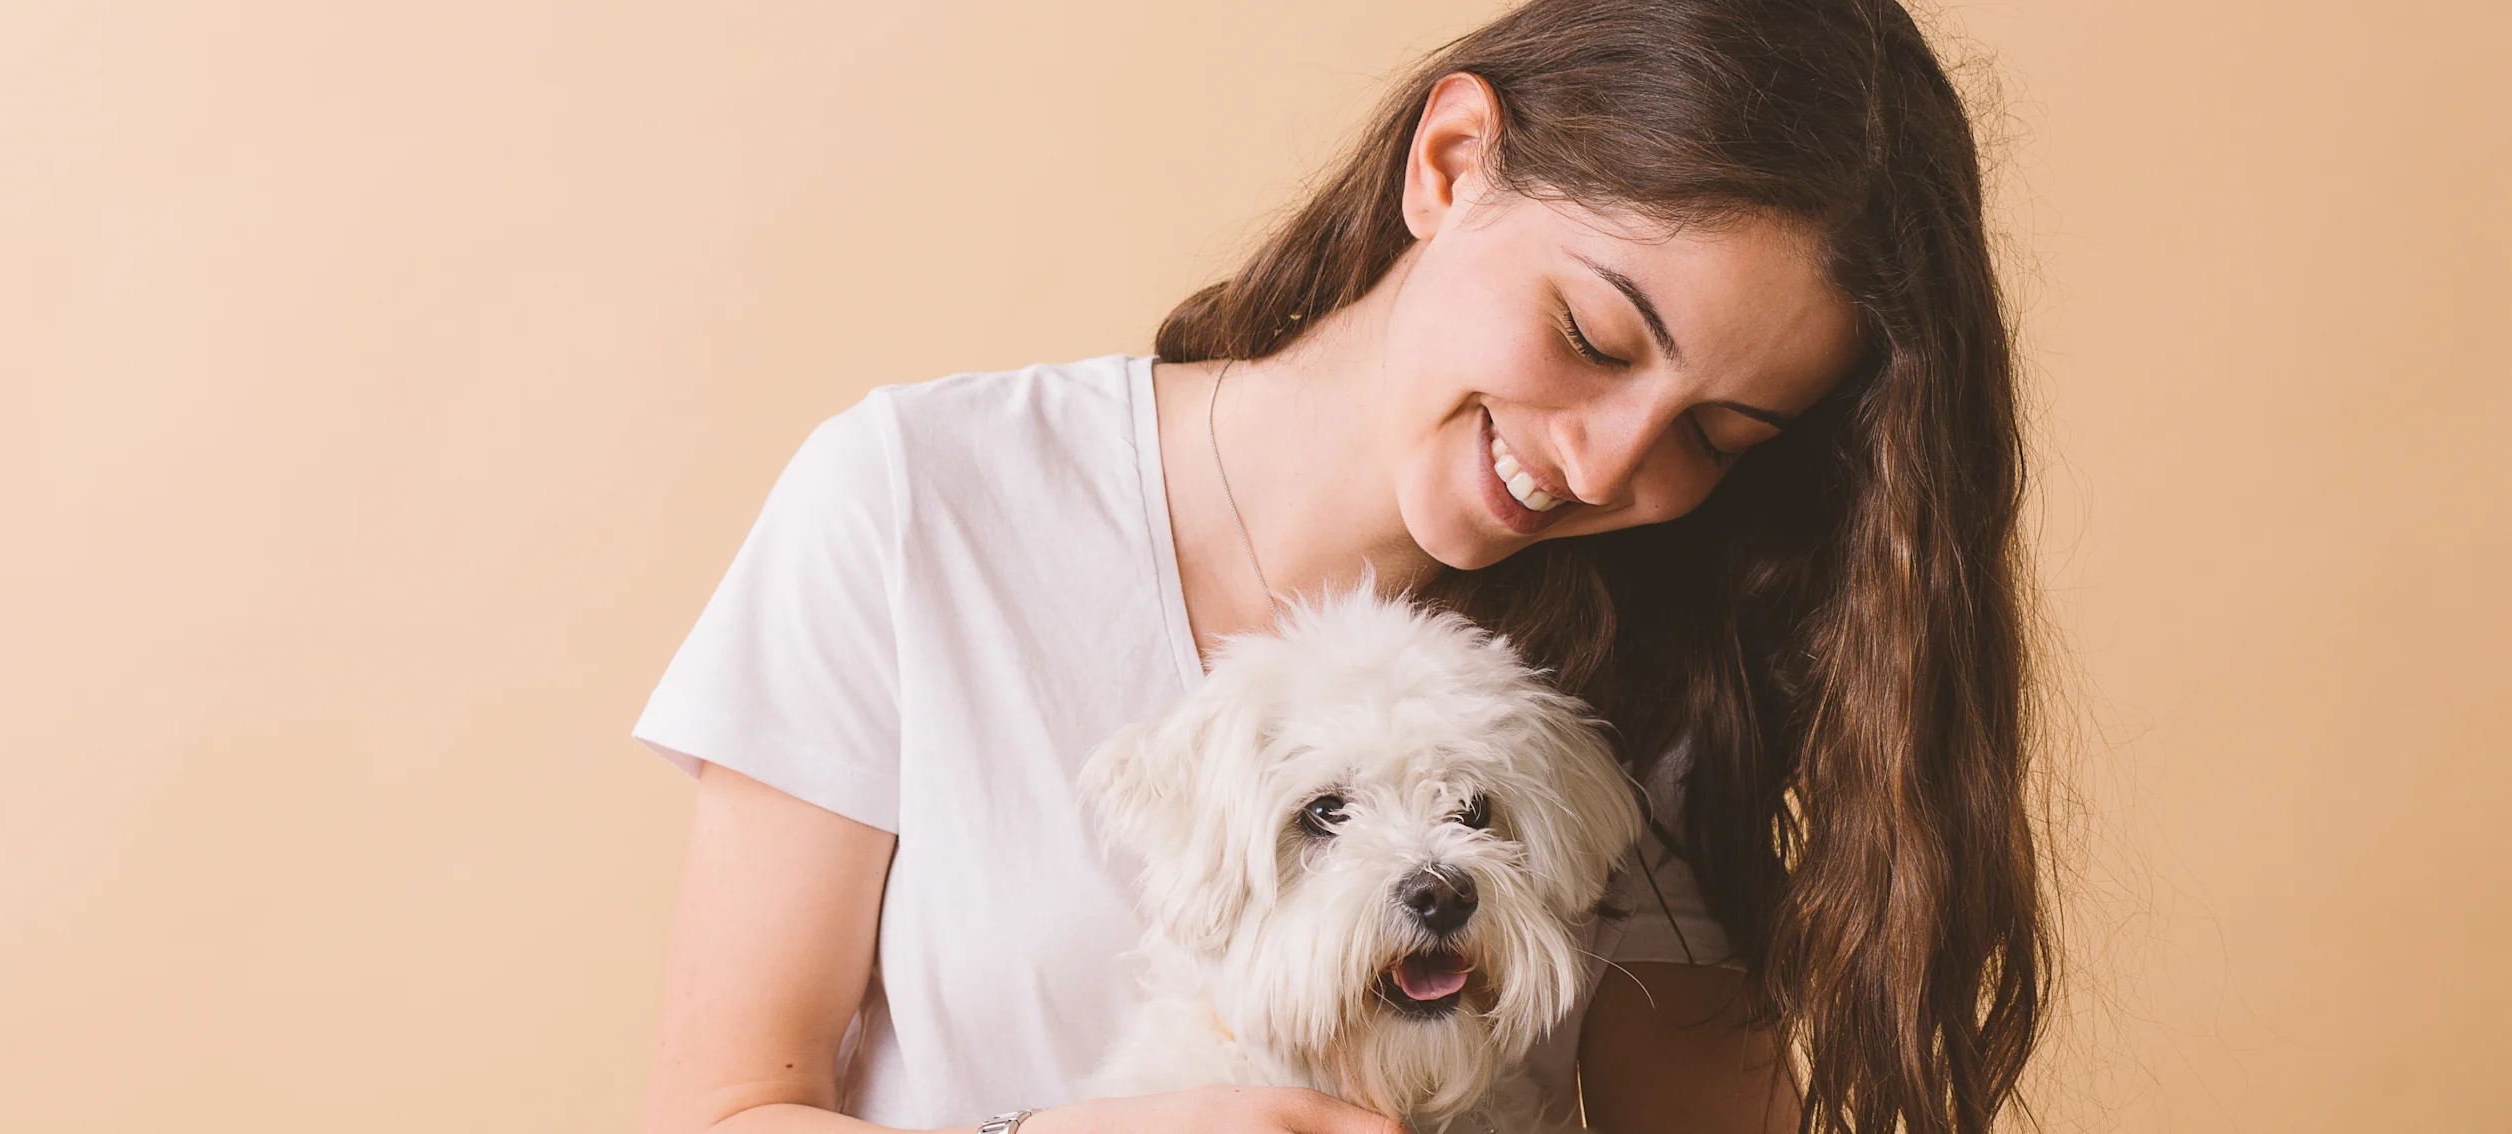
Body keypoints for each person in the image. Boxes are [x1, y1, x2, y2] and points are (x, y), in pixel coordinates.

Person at [631, 0, 2048, 1131]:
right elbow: (721, 1107)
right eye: (1594, 337)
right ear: (1449, 164)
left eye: (1715, 432)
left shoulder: (1652, 667)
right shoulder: (919, 500)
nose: (1611, 463)